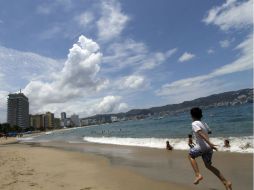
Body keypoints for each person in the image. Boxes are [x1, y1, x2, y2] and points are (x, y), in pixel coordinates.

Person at [188, 107, 232, 190]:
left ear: (192, 115)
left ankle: (198, 175)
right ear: (201, 115)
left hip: (203, 146)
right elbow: (209, 131)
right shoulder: (204, 123)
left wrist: (209, 143)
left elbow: (200, 133)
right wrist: (209, 144)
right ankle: (226, 182)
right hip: (208, 148)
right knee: (208, 166)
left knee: (190, 155)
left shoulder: (194, 123)